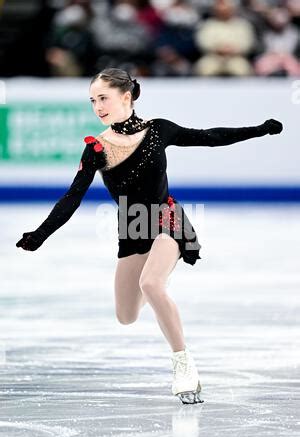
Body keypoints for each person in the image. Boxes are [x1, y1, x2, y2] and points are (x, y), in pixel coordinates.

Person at [16, 68, 283, 405]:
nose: (97, 106)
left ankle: (183, 364)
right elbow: (72, 197)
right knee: (126, 315)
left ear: (126, 97)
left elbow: (209, 136)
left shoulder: (159, 130)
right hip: (132, 229)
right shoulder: (96, 148)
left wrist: (258, 130)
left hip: (168, 218)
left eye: (103, 98)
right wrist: (41, 233)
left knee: (151, 284)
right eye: (93, 100)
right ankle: (157, 285)